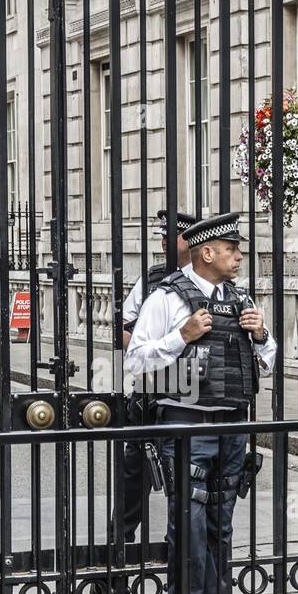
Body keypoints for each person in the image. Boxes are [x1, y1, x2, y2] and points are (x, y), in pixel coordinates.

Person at [124, 212, 276, 594]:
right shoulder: (166, 298)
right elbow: (135, 361)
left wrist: (262, 334)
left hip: (231, 425)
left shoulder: (241, 297)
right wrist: (180, 337)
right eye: (232, 250)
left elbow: (267, 358)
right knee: (187, 527)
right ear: (206, 252)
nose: (239, 257)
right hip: (185, 425)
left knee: (219, 525)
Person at [111, 210, 196, 550]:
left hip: (189, 388)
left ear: (191, 241)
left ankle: (179, 546)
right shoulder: (151, 280)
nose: (163, 240)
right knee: (135, 469)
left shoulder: (210, 282)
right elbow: (125, 329)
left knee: (186, 468)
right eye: (161, 235)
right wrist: (151, 352)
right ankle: (121, 543)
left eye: (170, 235)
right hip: (150, 387)